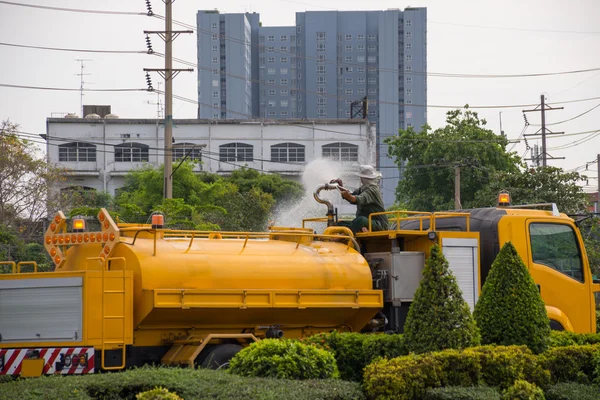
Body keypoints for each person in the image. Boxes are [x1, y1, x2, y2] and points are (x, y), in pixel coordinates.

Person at [330, 165, 389, 234]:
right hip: (367, 222)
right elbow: (351, 195)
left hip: (379, 224)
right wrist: (340, 186)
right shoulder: (363, 189)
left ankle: (343, 236)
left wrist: (348, 195)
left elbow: (357, 199)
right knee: (340, 224)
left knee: (360, 220)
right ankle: (333, 235)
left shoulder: (373, 190)